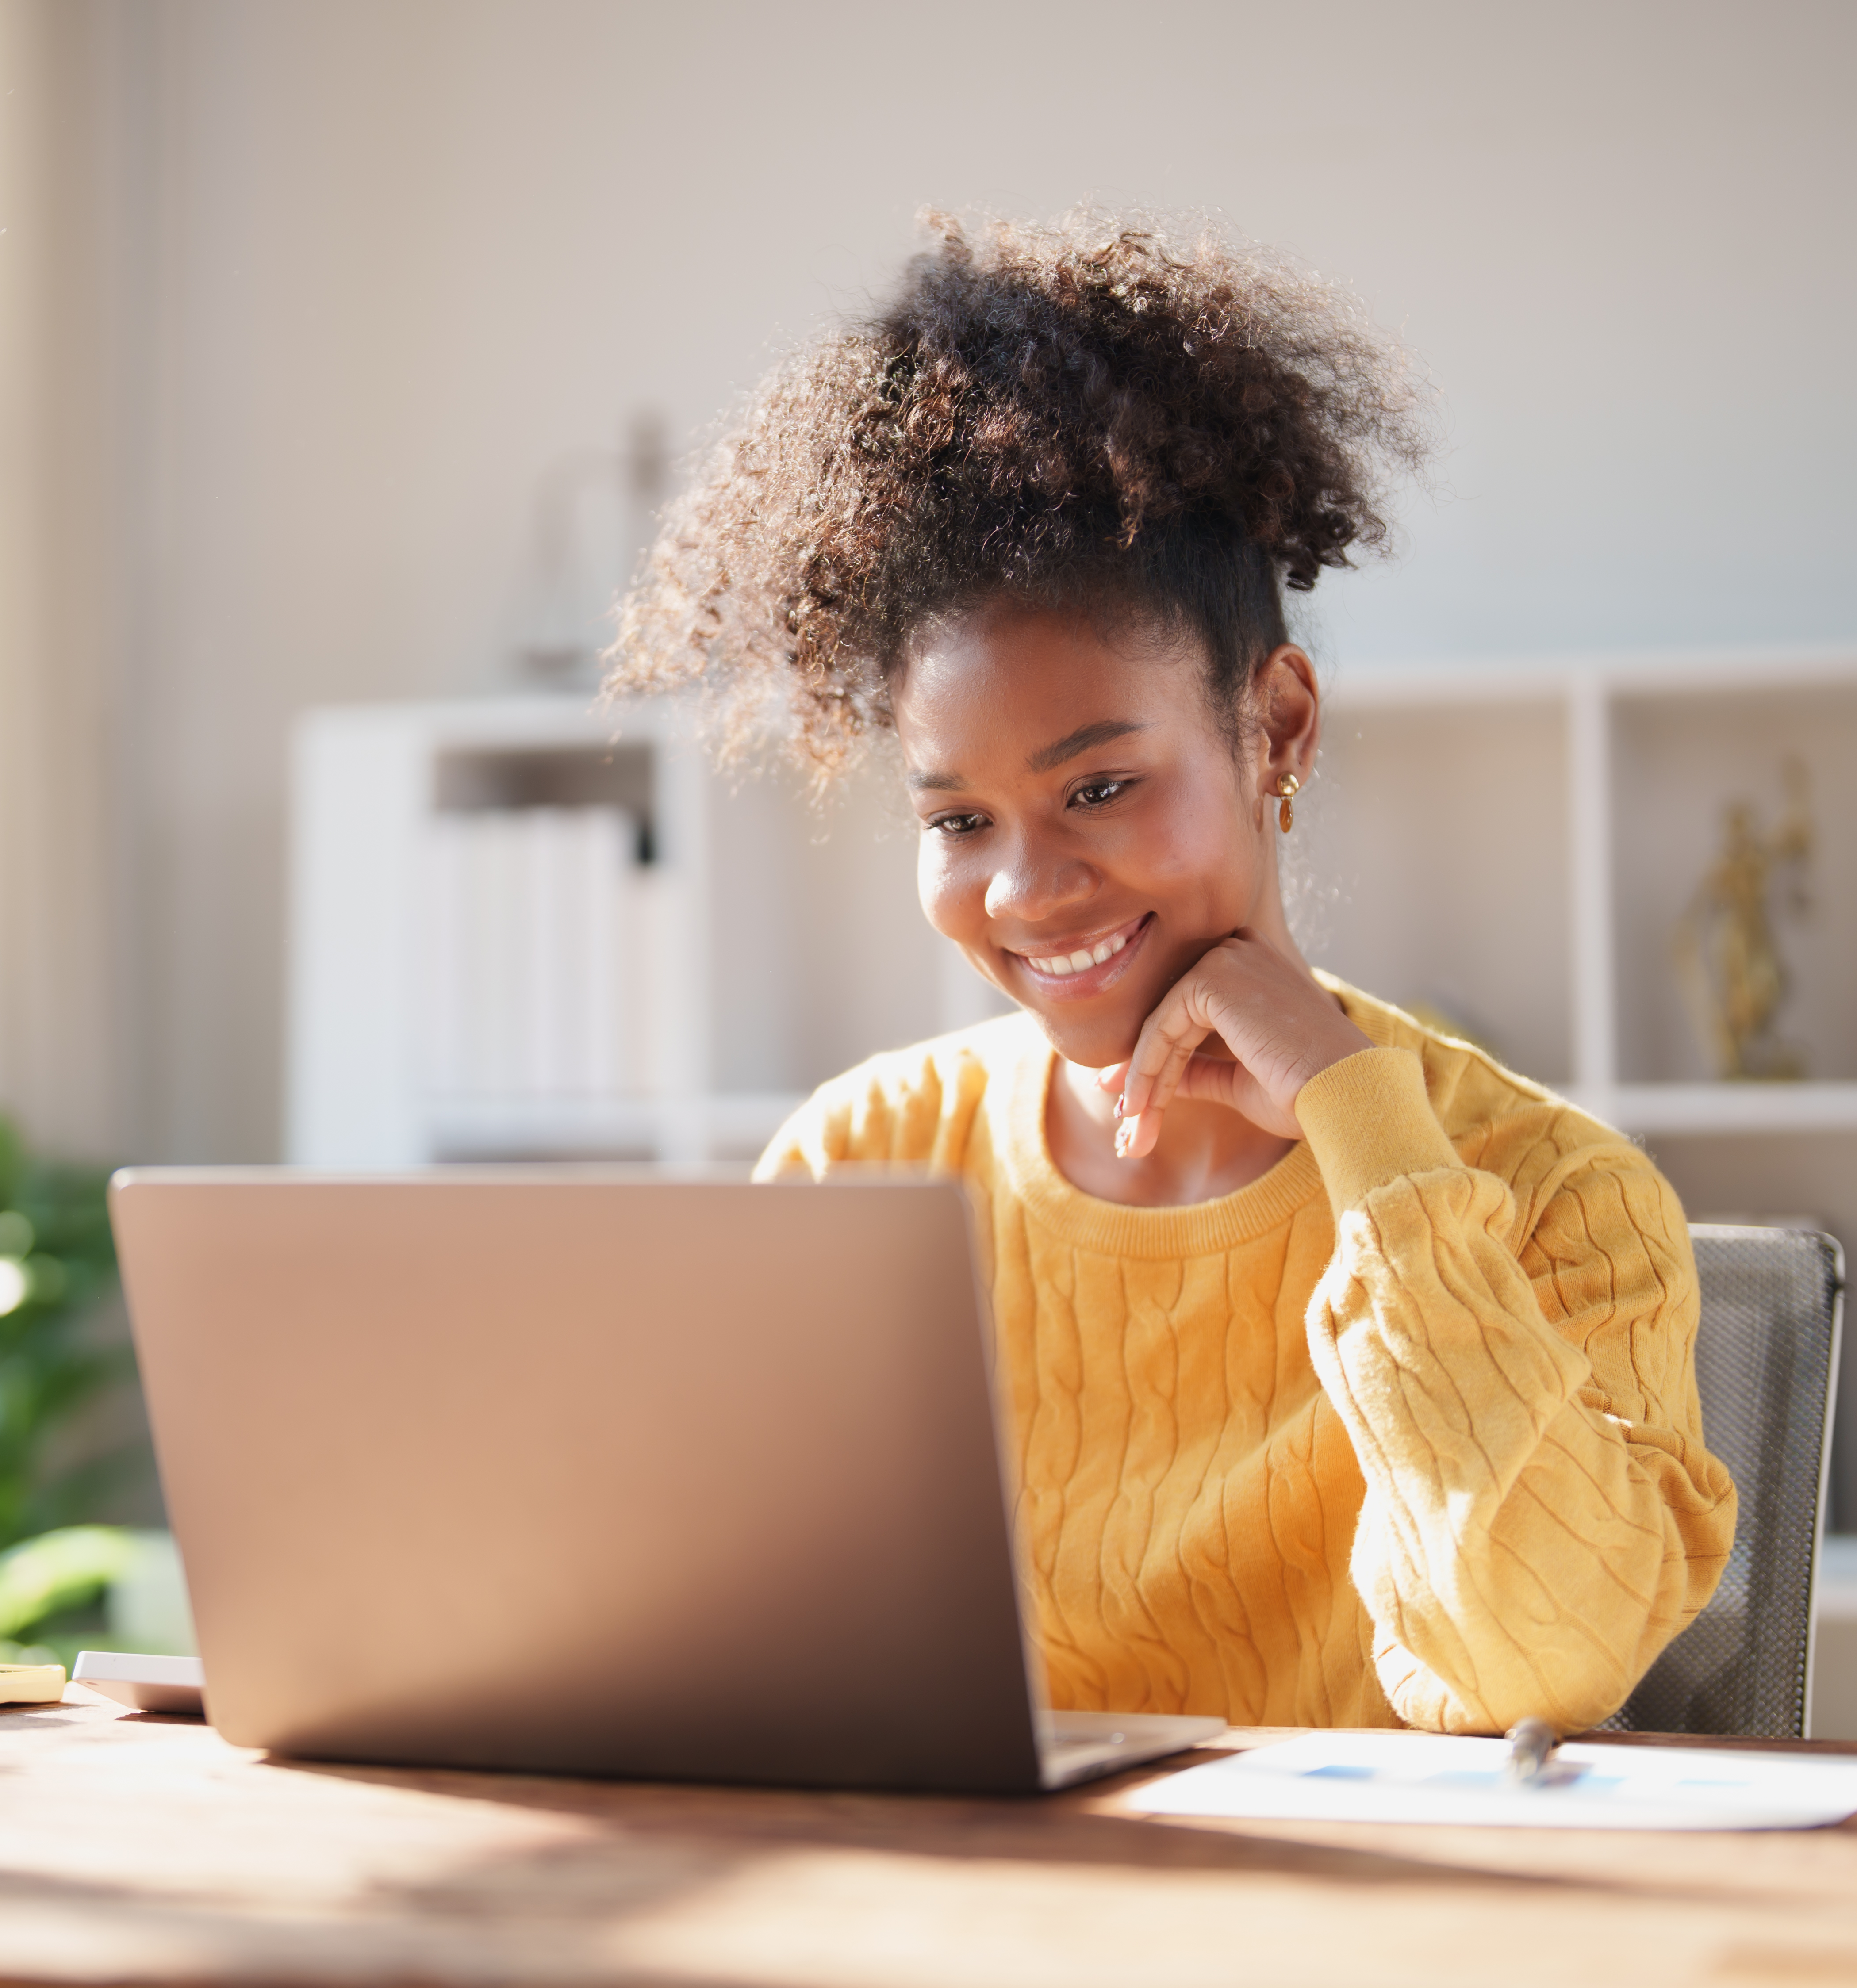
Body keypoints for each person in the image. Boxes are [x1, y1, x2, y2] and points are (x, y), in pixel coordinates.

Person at [604, 212, 1735, 1734]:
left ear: (1278, 730)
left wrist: (1362, 1126)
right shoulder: (861, 1166)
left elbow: (1542, 1671)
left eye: (1100, 788)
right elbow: (736, 1647)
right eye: (957, 821)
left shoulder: (1559, 1199)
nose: (1024, 890)